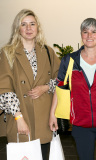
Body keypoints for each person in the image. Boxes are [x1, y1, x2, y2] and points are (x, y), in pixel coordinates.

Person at [49, 18, 96, 160]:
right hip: (80, 123)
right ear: (81, 35)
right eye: (85, 32)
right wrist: (52, 113)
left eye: (93, 32)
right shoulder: (69, 60)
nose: (89, 36)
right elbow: (60, 89)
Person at [0, 9, 60, 160]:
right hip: (20, 117)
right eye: (24, 24)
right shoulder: (7, 53)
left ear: (37, 27)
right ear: (17, 29)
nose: (28, 28)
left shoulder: (47, 52)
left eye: (32, 24)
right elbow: (4, 88)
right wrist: (18, 118)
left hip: (44, 119)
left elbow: (61, 80)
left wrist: (46, 87)